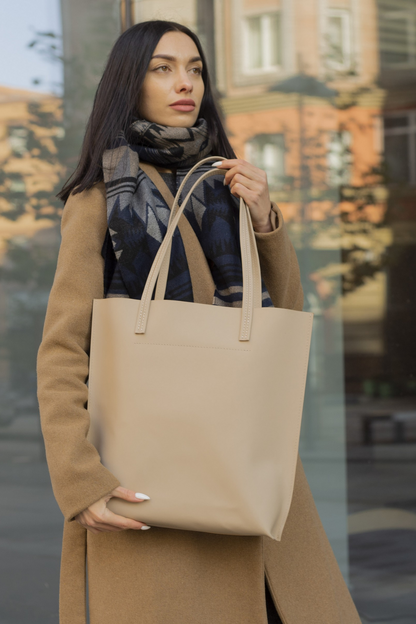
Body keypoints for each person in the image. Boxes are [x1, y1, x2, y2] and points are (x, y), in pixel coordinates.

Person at [37, 19, 361, 624]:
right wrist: (81, 480)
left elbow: (284, 323)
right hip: (153, 477)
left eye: (194, 68)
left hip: (246, 463)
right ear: (128, 85)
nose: (184, 82)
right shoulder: (101, 196)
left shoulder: (229, 183)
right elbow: (62, 350)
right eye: (162, 68)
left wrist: (265, 220)